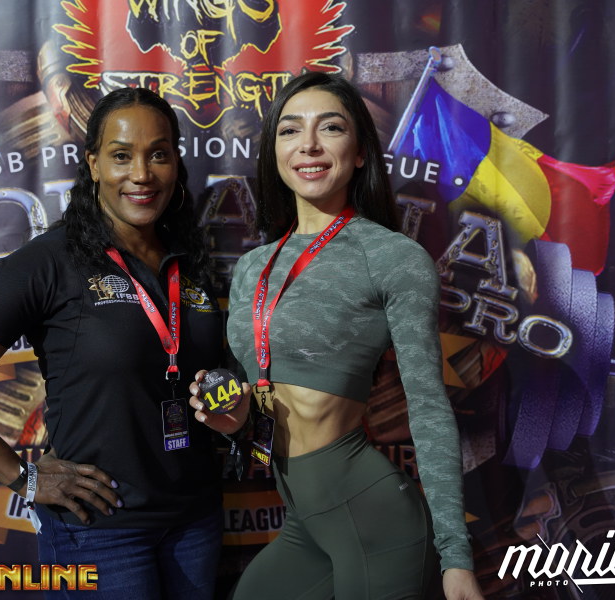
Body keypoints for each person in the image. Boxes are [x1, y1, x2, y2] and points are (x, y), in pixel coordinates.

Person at [0, 87, 249, 600]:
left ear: (176, 163)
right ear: (93, 164)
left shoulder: (187, 259)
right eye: (121, 155)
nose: (141, 174)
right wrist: (22, 478)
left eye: (158, 154)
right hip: (100, 532)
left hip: (194, 521)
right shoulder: (52, 259)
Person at [189, 72, 484, 599]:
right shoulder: (254, 267)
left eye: (330, 127)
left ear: (361, 151)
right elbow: (265, 401)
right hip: (306, 520)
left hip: (374, 520)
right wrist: (235, 420)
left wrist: (455, 557)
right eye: (290, 130)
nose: (308, 145)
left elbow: (428, 407)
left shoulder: (392, 257)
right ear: (274, 151)